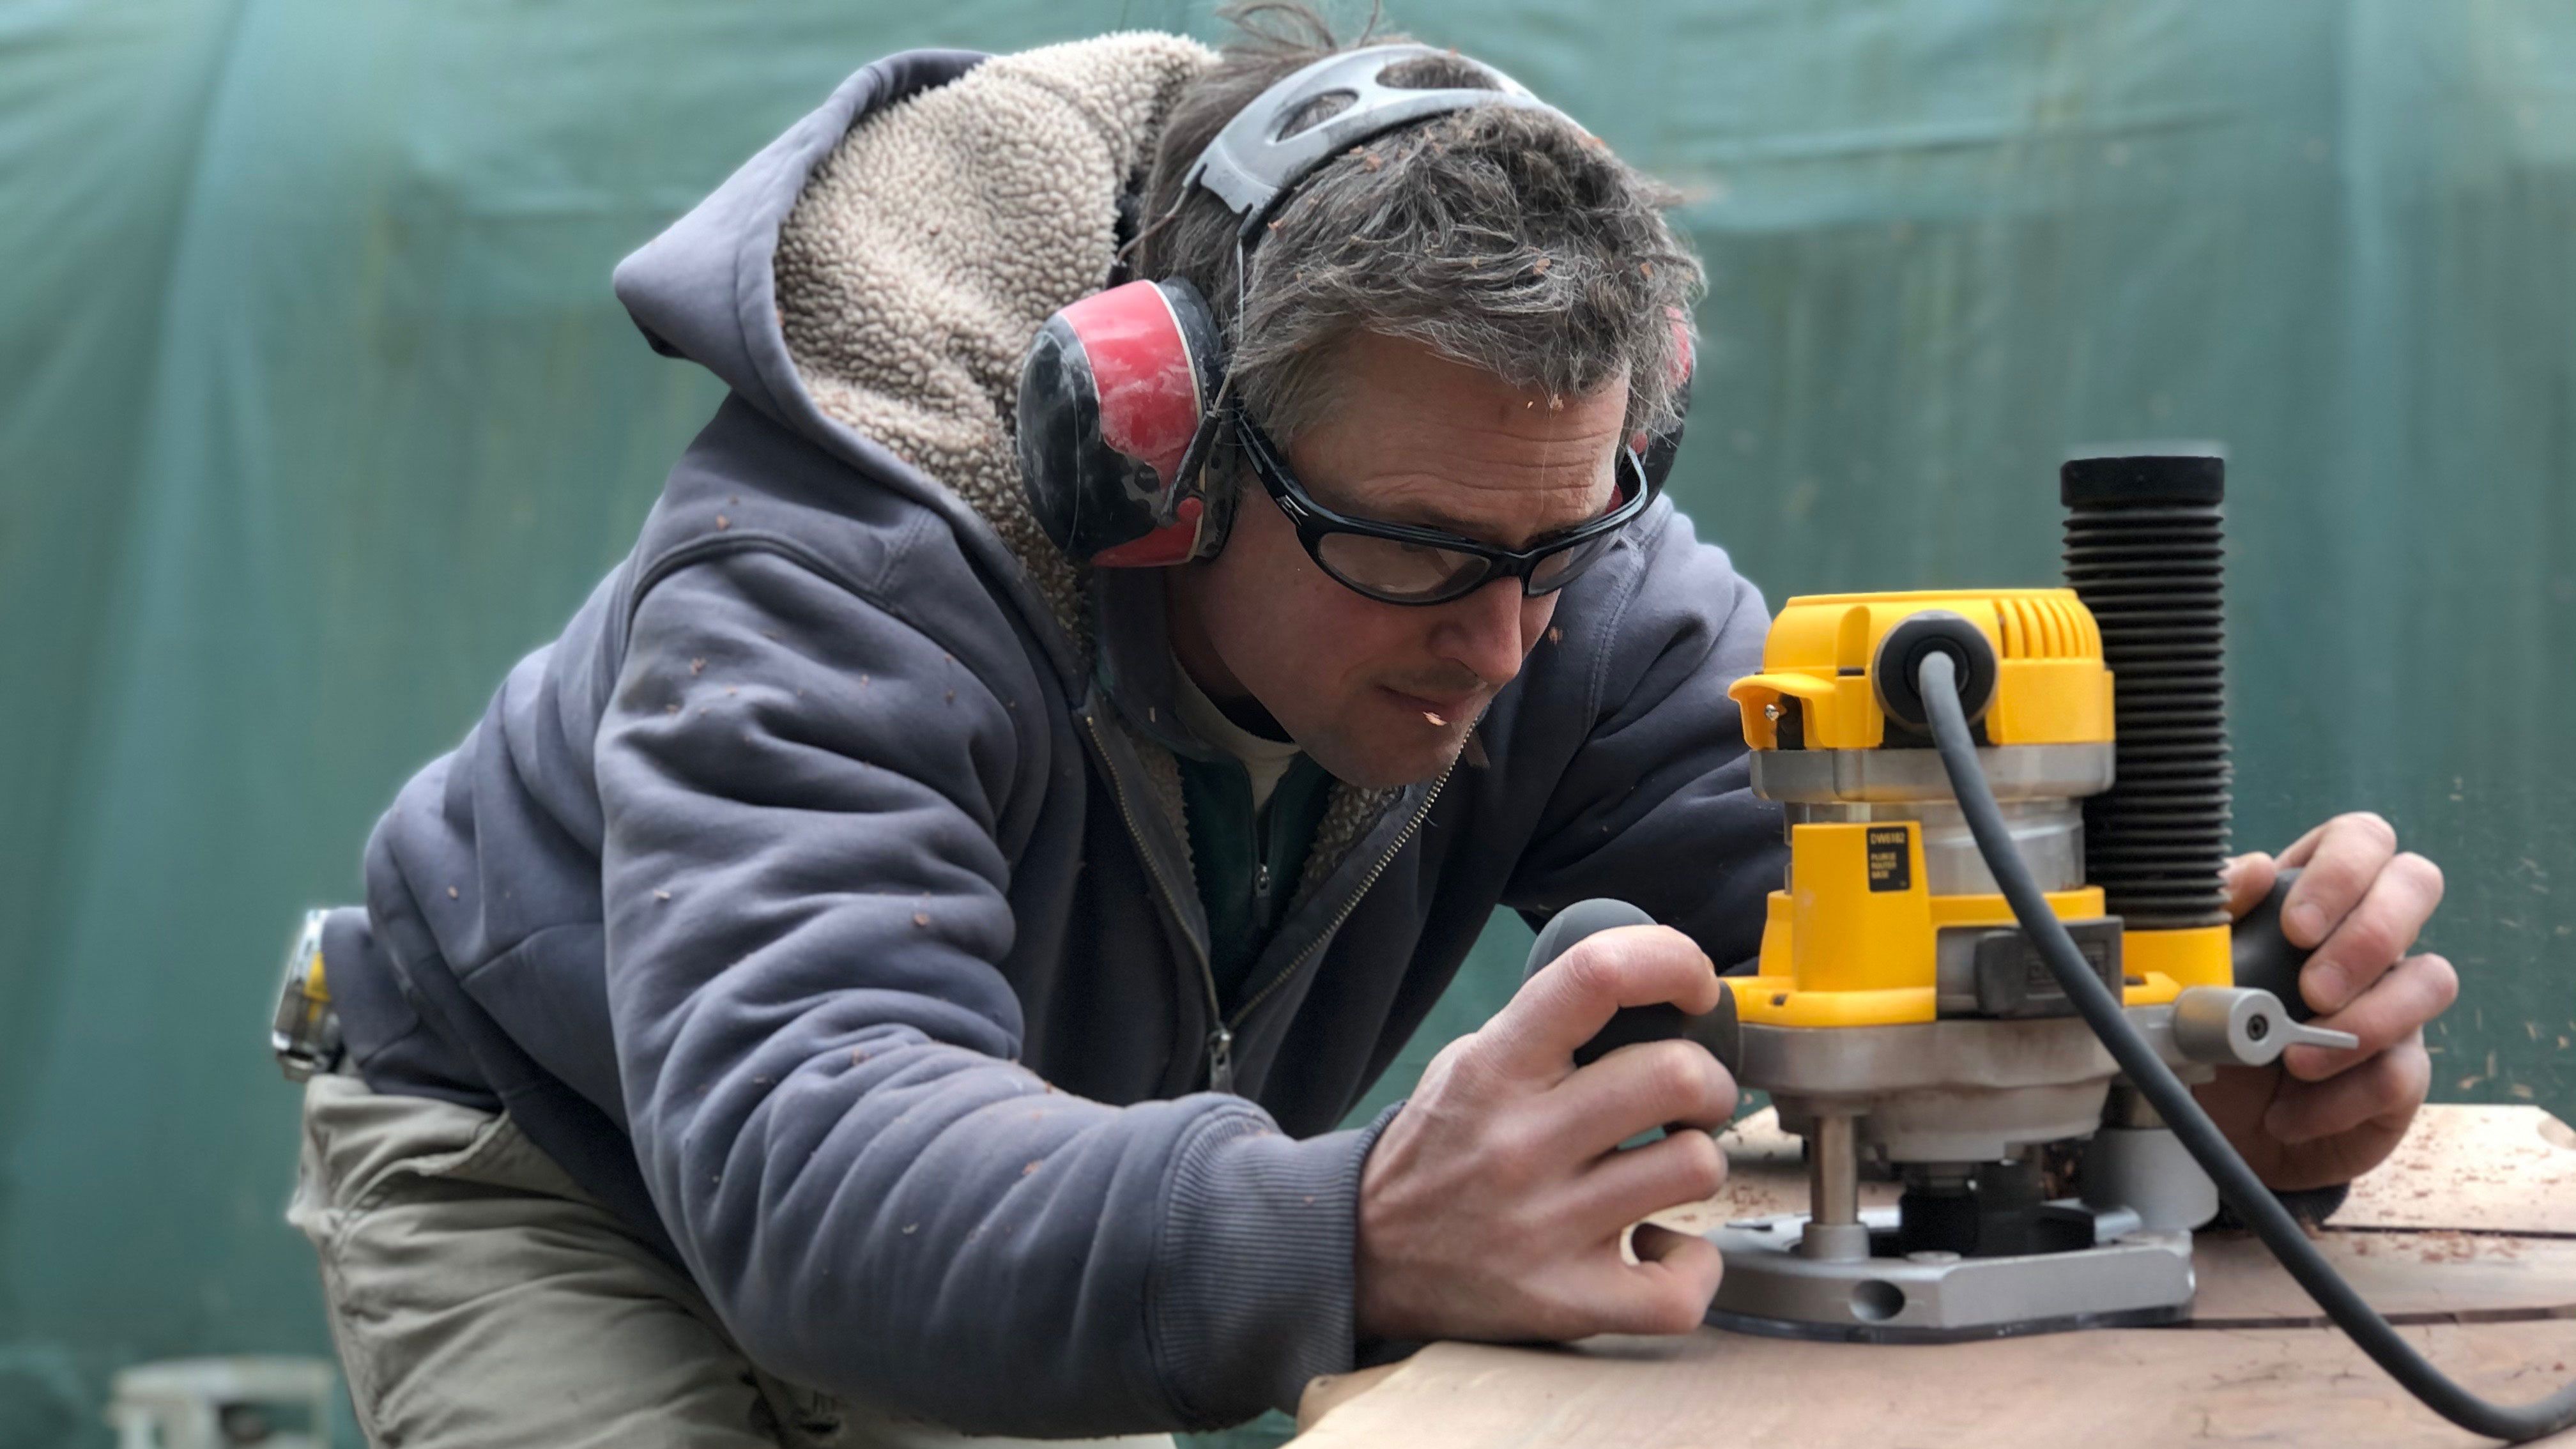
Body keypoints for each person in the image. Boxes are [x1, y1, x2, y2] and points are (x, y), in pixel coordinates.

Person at [282, 8, 2457, 1446]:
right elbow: (813, 1161)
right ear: (1156, 453)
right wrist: (1354, 1232)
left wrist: (2191, 1071)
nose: (1503, 642)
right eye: (1415, 551)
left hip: (1011, 1169)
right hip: (554, 1163)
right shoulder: (838, 562)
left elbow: (1862, 946)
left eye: (1560, 545)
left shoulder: (1550, 562)